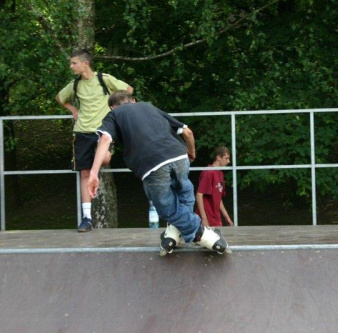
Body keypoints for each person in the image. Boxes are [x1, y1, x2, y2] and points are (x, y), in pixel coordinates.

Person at [87, 90, 229, 255]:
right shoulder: (148, 107)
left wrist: (94, 173)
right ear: (132, 101)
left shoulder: (114, 115)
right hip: (179, 154)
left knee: (166, 206)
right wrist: (191, 152)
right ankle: (174, 234)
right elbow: (187, 132)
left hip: (152, 163)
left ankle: (203, 234)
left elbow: (105, 139)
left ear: (112, 107)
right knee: (185, 192)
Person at [55, 49, 134, 232]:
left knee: (105, 158)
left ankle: (100, 163)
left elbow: (128, 90)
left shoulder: (103, 79)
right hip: (82, 132)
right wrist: (73, 110)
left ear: (85, 63)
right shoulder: (75, 84)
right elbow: (60, 98)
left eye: (74, 63)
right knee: (84, 173)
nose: (71, 66)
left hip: (103, 132)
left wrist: (118, 113)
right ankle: (87, 218)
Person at [196, 146, 234, 227]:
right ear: (218, 157)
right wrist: (204, 218)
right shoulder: (209, 173)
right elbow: (199, 195)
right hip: (207, 219)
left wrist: (227, 217)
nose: (228, 161)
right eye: (226, 158)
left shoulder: (220, 173)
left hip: (216, 219)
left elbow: (218, 198)